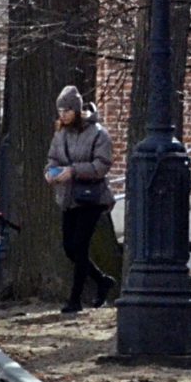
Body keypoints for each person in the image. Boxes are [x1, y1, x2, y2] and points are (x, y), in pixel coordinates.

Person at [47, 85, 117, 313]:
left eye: (67, 110)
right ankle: (101, 280)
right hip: (68, 197)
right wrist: (51, 172)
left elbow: (101, 165)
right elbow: (53, 159)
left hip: (91, 199)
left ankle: (75, 300)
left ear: (77, 110)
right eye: (60, 110)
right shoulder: (60, 135)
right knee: (70, 248)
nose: (63, 115)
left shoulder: (98, 133)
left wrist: (74, 171)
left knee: (80, 244)